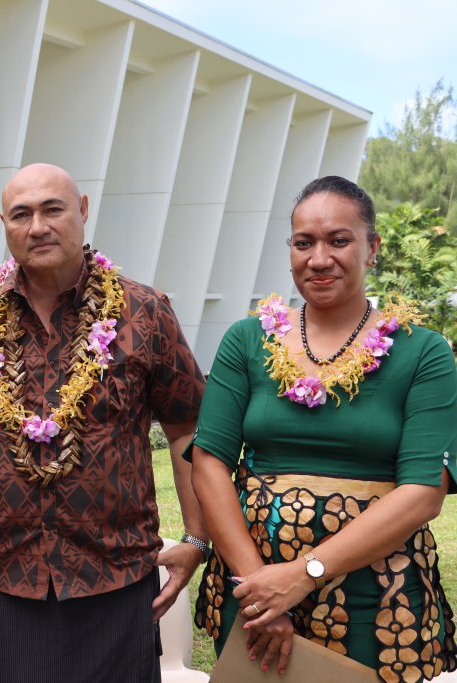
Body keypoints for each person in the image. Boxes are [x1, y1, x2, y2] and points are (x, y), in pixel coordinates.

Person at [0, 163, 209, 683]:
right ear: (5, 225)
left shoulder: (145, 312)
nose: (38, 227)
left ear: (82, 210)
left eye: (52, 209)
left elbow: (189, 428)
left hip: (114, 578)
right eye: (21, 214)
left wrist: (196, 538)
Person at [189, 176, 457, 681]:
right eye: (303, 243)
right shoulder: (247, 340)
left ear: (372, 248)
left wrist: (303, 575)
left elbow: (424, 491)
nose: (318, 258)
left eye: (339, 240)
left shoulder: (422, 352)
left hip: (374, 599)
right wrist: (261, 590)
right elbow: (209, 463)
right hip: (253, 591)